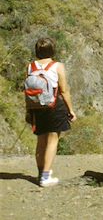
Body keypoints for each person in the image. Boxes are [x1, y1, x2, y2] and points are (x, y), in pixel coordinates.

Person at [26, 37, 76, 187]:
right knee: (53, 140)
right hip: (54, 106)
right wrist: (71, 110)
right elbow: (64, 90)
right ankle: (46, 177)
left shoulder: (30, 67)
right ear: (52, 50)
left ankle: (41, 173)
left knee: (41, 141)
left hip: (36, 108)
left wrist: (29, 110)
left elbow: (28, 91)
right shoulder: (57, 66)